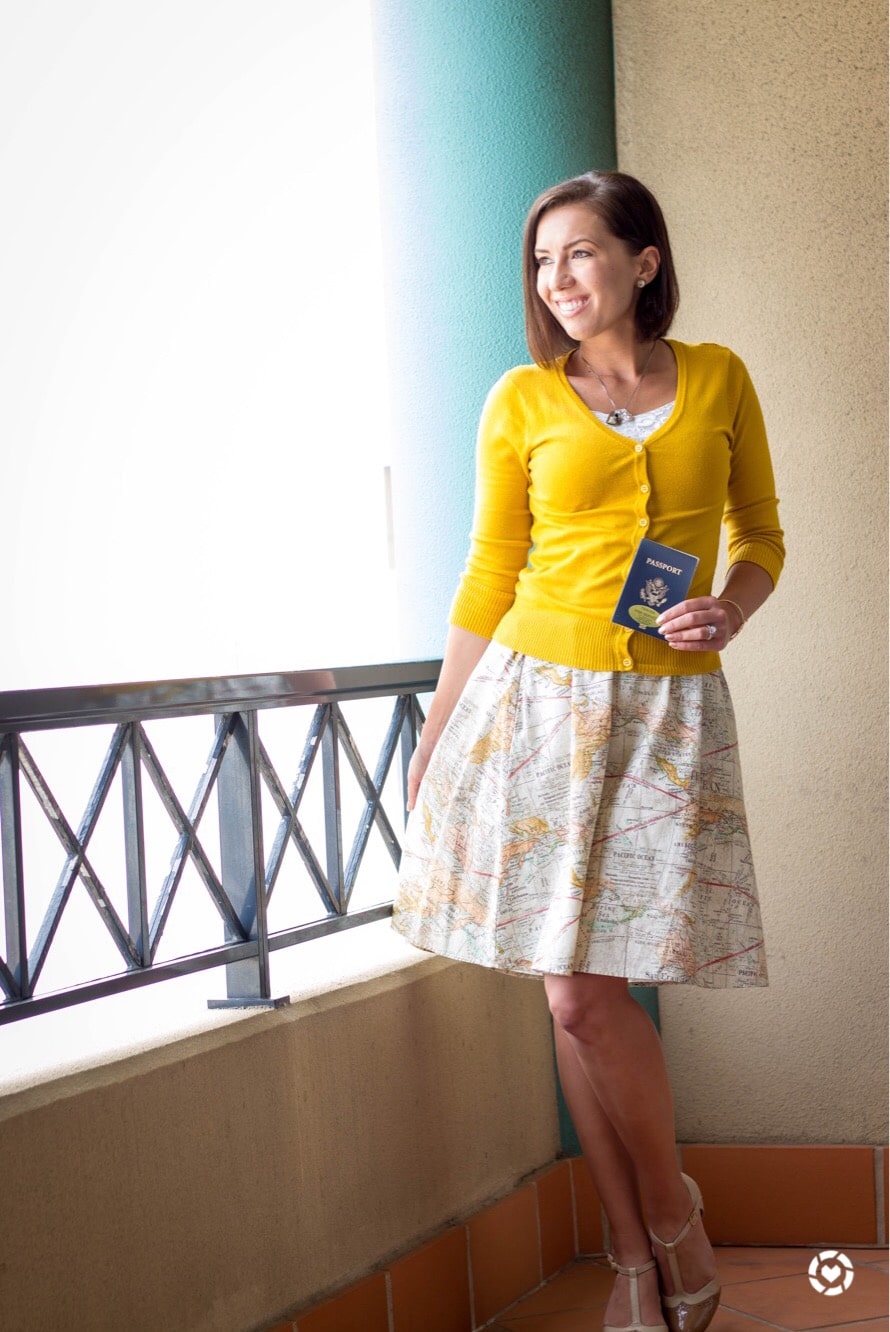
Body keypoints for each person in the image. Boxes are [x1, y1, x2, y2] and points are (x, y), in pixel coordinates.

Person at [392, 170, 784, 1332]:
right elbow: (486, 575)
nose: (556, 280)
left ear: (642, 261)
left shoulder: (715, 377)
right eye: (541, 263)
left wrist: (730, 606)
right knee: (570, 994)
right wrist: (437, 724)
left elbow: (758, 535)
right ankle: (661, 1227)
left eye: (578, 254)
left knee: (594, 991)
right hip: (535, 711)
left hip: (667, 716)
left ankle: (634, 1242)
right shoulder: (518, 398)